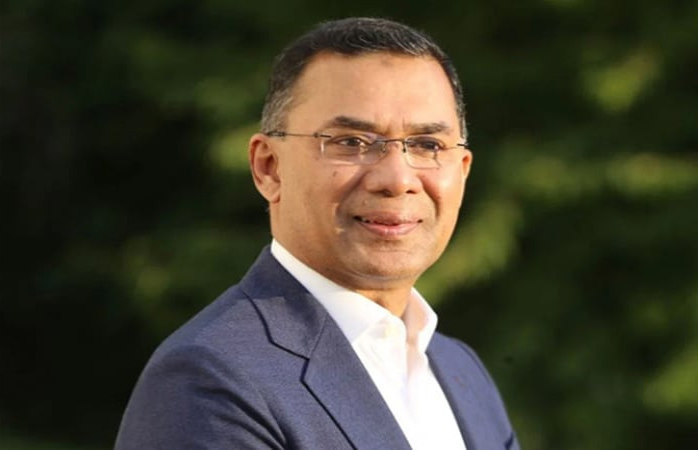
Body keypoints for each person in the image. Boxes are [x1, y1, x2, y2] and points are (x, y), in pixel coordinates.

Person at [115, 17, 518, 450]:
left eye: (427, 145)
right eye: (351, 142)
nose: (398, 179)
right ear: (269, 168)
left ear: (462, 171)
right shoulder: (209, 381)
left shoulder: (460, 371)